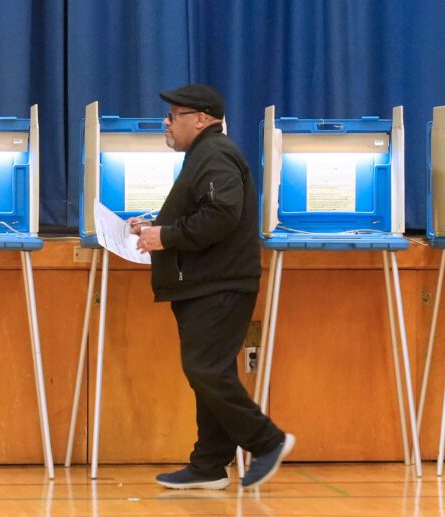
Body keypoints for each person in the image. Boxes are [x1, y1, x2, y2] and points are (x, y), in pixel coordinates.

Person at [130, 84, 294, 490]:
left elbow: (222, 214)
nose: (166, 123)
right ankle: (209, 465)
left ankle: (268, 440)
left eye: (173, 116)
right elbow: (204, 212)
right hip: (205, 282)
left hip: (219, 284)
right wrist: (154, 228)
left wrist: (165, 236)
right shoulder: (204, 154)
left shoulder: (215, 153)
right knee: (208, 372)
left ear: (201, 119)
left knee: (205, 369)